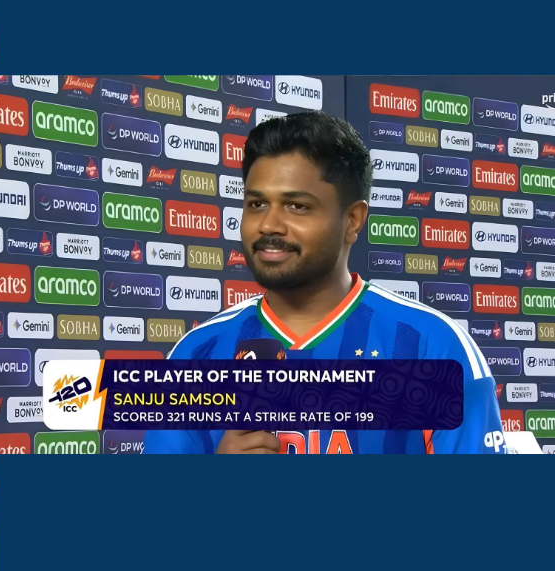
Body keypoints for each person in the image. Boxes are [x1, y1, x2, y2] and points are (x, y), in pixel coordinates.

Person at [144, 111, 505, 454]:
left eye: (297, 206)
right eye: (256, 204)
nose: (268, 224)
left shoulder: (432, 346)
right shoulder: (196, 354)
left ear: (352, 220)